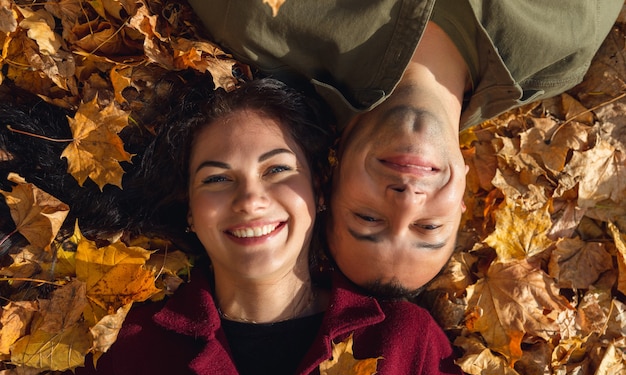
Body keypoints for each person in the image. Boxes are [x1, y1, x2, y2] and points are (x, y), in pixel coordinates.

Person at [28, 77, 489, 375]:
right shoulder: (128, 350)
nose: (250, 199)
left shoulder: (404, 342)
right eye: (216, 179)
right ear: (190, 210)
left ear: (319, 192)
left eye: (277, 171)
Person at [184, 0, 624, 296]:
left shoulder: (260, 23)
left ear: (328, 179)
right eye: (429, 228)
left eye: (368, 218)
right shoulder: (562, 51)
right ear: (464, 199)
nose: (407, 201)